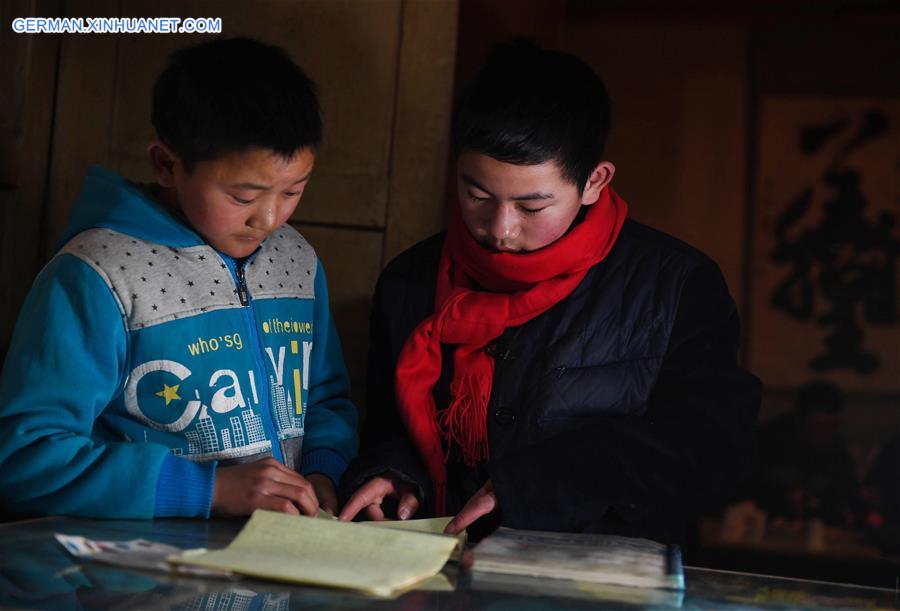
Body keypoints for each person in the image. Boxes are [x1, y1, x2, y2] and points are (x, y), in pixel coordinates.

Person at [339, 40, 761, 544]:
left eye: (532, 207)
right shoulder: (412, 277)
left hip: (595, 577)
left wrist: (544, 483)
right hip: (437, 568)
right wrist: (392, 471)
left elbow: (712, 448)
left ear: (593, 182)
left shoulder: (676, 285)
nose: (499, 227)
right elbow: (389, 419)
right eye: (475, 194)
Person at [0, 38, 358, 519]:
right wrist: (205, 490)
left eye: (293, 190)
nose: (269, 219)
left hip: (274, 568)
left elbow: (326, 398)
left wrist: (321, 472)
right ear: (167, 164)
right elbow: (24, 456)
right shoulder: (97, 276)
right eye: (243, 196)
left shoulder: (297, 261)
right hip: (137, 578)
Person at [752, 381, 861, 527]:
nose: (826, 433)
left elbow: (849, 497)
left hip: (817, 532)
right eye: (819, 426)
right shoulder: (770, 441)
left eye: (833, 426)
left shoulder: (837, 452)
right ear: (800, 419)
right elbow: (749, 489)